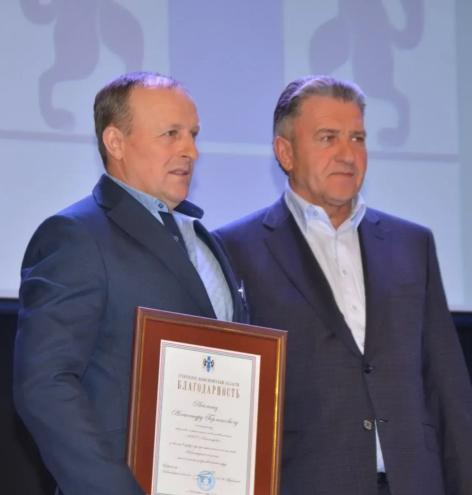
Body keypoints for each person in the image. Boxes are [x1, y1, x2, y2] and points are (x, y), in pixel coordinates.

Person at [213, 75, 472, 495]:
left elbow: (448, 388)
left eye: (357, 138)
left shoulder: (412, 244)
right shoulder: (236, 248)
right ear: (285, 152)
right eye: (328, 138)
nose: (348, 154)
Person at [13, 71, 248, 495]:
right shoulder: (76, 236)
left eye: (193, 134)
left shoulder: (205, 242)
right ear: (115, 143)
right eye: (171, 134)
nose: (191, 151)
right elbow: (45, 385)